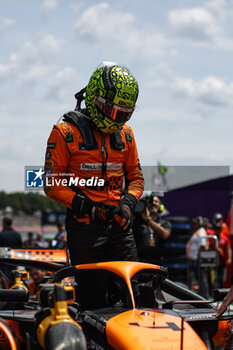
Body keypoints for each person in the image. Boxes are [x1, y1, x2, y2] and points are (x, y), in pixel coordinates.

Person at [43, 63, 144, 307]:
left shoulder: (127, 135)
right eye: (115, 111)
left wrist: (128, 204)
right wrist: (87, 207)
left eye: (126, 113)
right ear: (96, 100)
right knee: (93, 300)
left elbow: (136, 178)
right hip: (85, 231)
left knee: (136, 297)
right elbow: (51, 183)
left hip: (120, 227)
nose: (119, 119)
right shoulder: (64, 132)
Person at [133, 193, 171, 265]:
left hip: (158, 262)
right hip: (139, 262)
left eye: (156, 202)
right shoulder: (137, 222)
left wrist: (148, 220)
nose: (153, 203)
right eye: (150, 202)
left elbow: (165, 235)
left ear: (160, 207)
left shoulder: (165, 223)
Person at [186, 216, 209, 298]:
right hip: (195, 259)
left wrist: (200, 259)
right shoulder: (198, 231)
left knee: (201, 278)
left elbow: (202, 246)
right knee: (199, 279)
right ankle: (201, 296)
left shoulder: (201, 232)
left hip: (198, 259)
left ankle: (205, 297)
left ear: (199, 223)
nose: (193, 224)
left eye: (195, 223)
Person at [211, 213, 232, 288]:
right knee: (214, 278)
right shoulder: (213, 237)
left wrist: (229, 258)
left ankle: (220, 291)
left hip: (222, 261)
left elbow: (228, 248)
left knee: (221, 278)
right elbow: (210, 247)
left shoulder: (224, 237)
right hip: (214, 261)